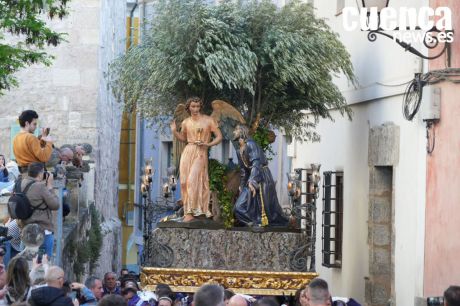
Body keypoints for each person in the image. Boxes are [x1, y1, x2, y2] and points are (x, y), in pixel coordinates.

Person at [170, 97, 223, 222]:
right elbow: (183, 138)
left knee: (192, 181)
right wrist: (174, 131)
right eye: (193, 106)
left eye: (197, 106)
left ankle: (191, 213)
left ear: (200, 107)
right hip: (188, 151)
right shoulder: (186, 122)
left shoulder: (208, 120)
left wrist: (208, 144)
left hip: (200, 152)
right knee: (183, 182)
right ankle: (187, 210)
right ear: (188, 107)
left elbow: (219, 137)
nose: (195, 109)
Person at [232, 125, 288, 227]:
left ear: (242, 132)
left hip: (262, 177)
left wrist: (252, 181)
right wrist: (242, 185)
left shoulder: (251, 144)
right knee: (238, 207)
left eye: (236, 130)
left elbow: (256, 162)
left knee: (266, 206)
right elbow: (243, 171)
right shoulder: (238, 151)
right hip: (251, 178)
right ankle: (253, 223)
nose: (233, 132)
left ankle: (258, 224)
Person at [18, 162, 59, 258]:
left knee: (24, 262)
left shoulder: (20, 183)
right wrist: (50, 186)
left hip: (25, 230)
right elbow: (55, 205)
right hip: (42, 231)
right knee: (42, 263)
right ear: (40, 174)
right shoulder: (40, 187)